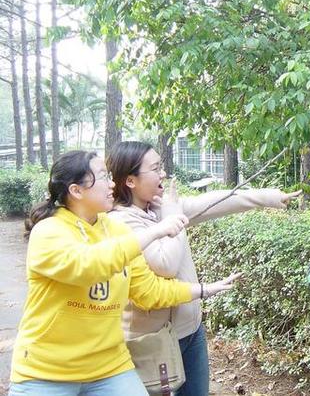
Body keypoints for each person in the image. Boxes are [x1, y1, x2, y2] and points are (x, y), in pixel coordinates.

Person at [8, 150, 240, 396]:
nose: (111, 184)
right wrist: (154, 232)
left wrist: (205, 289)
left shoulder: (116, 230)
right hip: (46, 372)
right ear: (76, 191)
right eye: (102, 177)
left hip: (109, 367)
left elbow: (148, 291)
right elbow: (87, 266)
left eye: (109, 176)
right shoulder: (48, 231)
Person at [106, 141, 302, 396]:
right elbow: (165, 265)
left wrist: (268, 197)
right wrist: (172, 217)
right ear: (130, 180)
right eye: (155, 168)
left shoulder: (159, 206)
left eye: (161, 166)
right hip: (154, 339)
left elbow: (216, 202)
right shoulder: (122, 221)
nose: (162, 173)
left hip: (191, 329)